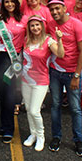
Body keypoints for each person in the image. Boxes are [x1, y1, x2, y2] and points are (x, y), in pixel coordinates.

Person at [46, 0, 82, 157]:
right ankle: (56, 137)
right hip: (55, 72)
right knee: (55, 105)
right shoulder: (50, 25)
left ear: (64, 8)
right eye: (52, 9)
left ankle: (78, 139)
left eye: (57, 8)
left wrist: (76, 75)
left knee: (75, 108)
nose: (55, 12)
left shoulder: (77, 24)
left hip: (72, 73)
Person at [21, 15, 64, 152]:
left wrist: (60, 40)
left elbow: (61, 54)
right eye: (32, 25)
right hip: (26, 79)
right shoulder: (26, 40)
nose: (35, 28)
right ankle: (32, 134)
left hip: (41, 81)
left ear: (42, 26)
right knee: (28, 109)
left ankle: (41, 136)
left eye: (37, 25)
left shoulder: (48, 40)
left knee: (34, 110)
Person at [0, 0, 26, 143]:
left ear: (17, 3)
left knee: (10, 95)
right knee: (4, 94)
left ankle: (8, 128)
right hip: (0, 58)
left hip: (15, 59)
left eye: (12, 2)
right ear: (3, 4)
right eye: (6, 2)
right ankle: (5, 126)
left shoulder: (24, 19)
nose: (9, 4)